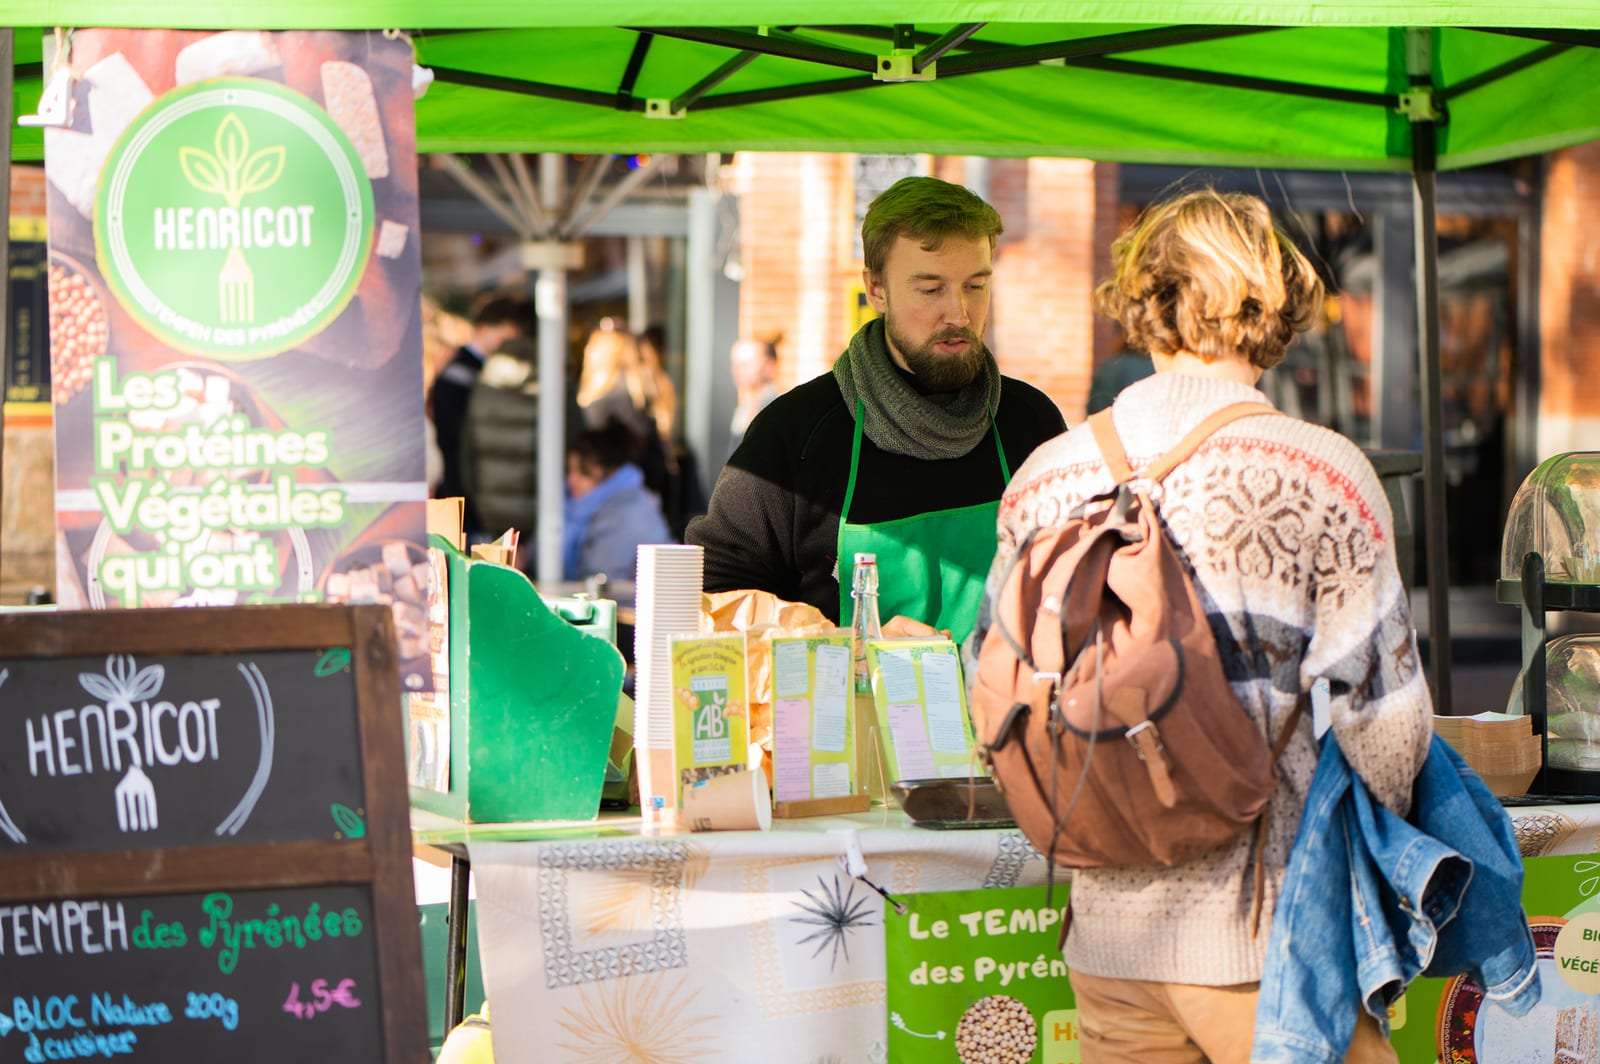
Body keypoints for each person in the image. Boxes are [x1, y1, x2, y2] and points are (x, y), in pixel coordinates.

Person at [973, 189, 1432, 1062]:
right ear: (1276, 299)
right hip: (1262, 939)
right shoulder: (1322, 472)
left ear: (1147, 298)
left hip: (1103, 939)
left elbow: (989, 689)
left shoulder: (1042, 478)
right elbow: (1388, 734)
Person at [686, 176, 1067, 643]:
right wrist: (849, 646)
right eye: (931, 290)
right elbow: (708, 598)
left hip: (1003, 714)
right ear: (876, 289)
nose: (960, 314)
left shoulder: (1031, 424)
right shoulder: (795, 434)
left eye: (975, 286)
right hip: (843, 713)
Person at [428, 294, 535, 535]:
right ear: (484, 329)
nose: (508, 346)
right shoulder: (462, 374)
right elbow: (456, 436)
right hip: (464, 491)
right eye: (504, 338)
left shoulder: (467, 369)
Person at [460, 336, 541, 559]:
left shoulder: (482, 390)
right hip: (536, 510)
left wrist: (476, 495)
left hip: (488, 507)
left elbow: (467, 452)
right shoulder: (549, 389)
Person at [563, 423, 673, 585]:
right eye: (570, 471)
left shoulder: (630, 511)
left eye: (584, 472)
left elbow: (602, 579)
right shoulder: (572, 508)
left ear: (611, 472)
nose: (572, 480)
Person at [726, 334, 781, 458]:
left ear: (770, 366)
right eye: (733, 364)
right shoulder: (744, 407)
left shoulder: (776, 408)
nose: (737, 370)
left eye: (746, 364)